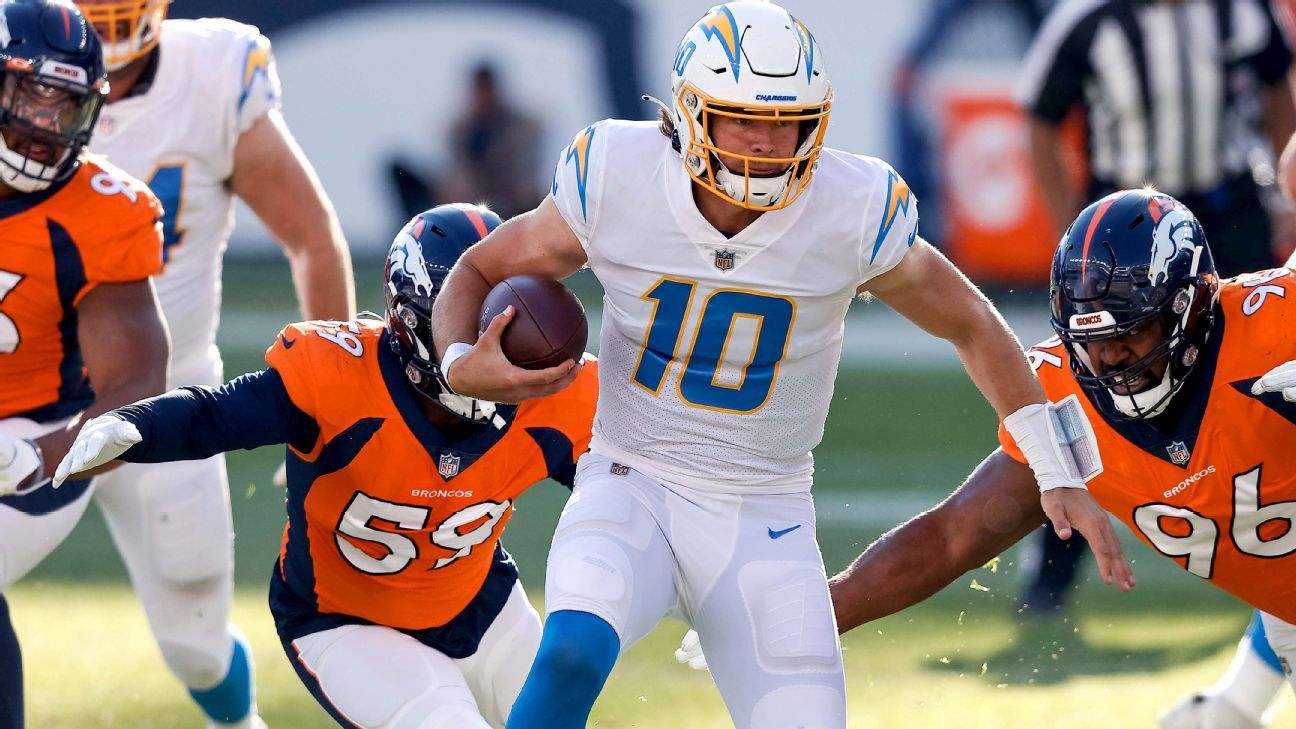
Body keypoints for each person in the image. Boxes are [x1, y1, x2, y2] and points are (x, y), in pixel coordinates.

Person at [428, 3, 1131, 727]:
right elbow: (481, 266)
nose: (769, 142)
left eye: (788, 120)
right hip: (631, 480)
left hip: (765, 514)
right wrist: (458, 365)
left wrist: (1055, 466)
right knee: (571, 651)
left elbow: (974, 324)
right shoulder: (616, 173)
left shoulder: (850, 206)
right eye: (744, 119)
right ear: (691, 114)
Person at [53, 204, 600, 729]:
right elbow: (215, 415)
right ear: (414, 324)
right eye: (471, 324)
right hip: (344, 620)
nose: (496, 349)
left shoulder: (555, 389)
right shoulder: (339, 378)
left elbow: (637, 499)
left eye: (508, 325)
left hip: (478, 599)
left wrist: (680, 575)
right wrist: (137, 425)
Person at [774, 189, 1296, 725]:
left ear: (1191, 307)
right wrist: (812, 616)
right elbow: (953, 536)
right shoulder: (1062, 403)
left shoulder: (1279, 327)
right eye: (1093, 339)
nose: (1112, 358)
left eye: (1133, 330)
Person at [66, 1, 358, 725]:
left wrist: (341, 396)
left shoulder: (211, 73)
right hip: (28, 398)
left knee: (195, 644)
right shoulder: (17, 53)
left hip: (166, 405)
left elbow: (312, 238)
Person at [0, 1, 169, 726]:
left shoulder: (103, 211)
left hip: (37, 431)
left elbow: (136, 386)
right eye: (30, 93)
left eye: (66, 104)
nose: (45, 124)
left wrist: (39, 454)